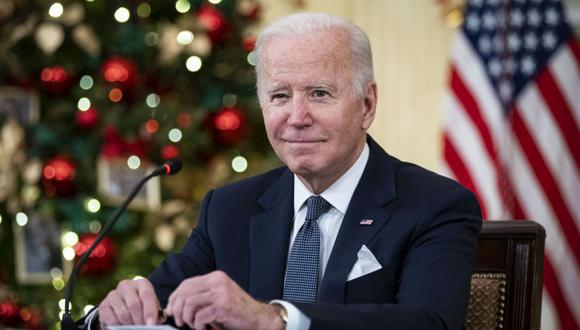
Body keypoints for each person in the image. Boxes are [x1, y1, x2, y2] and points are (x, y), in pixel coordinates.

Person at [90, 13, 482, 330]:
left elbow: (428, 322)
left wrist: (277, 319)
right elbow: (156, 298)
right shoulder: (228, 208)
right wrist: (112, 312)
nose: (296, 118)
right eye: (279, 96)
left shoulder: (436, 205)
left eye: (319, 94)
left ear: (366, 104)